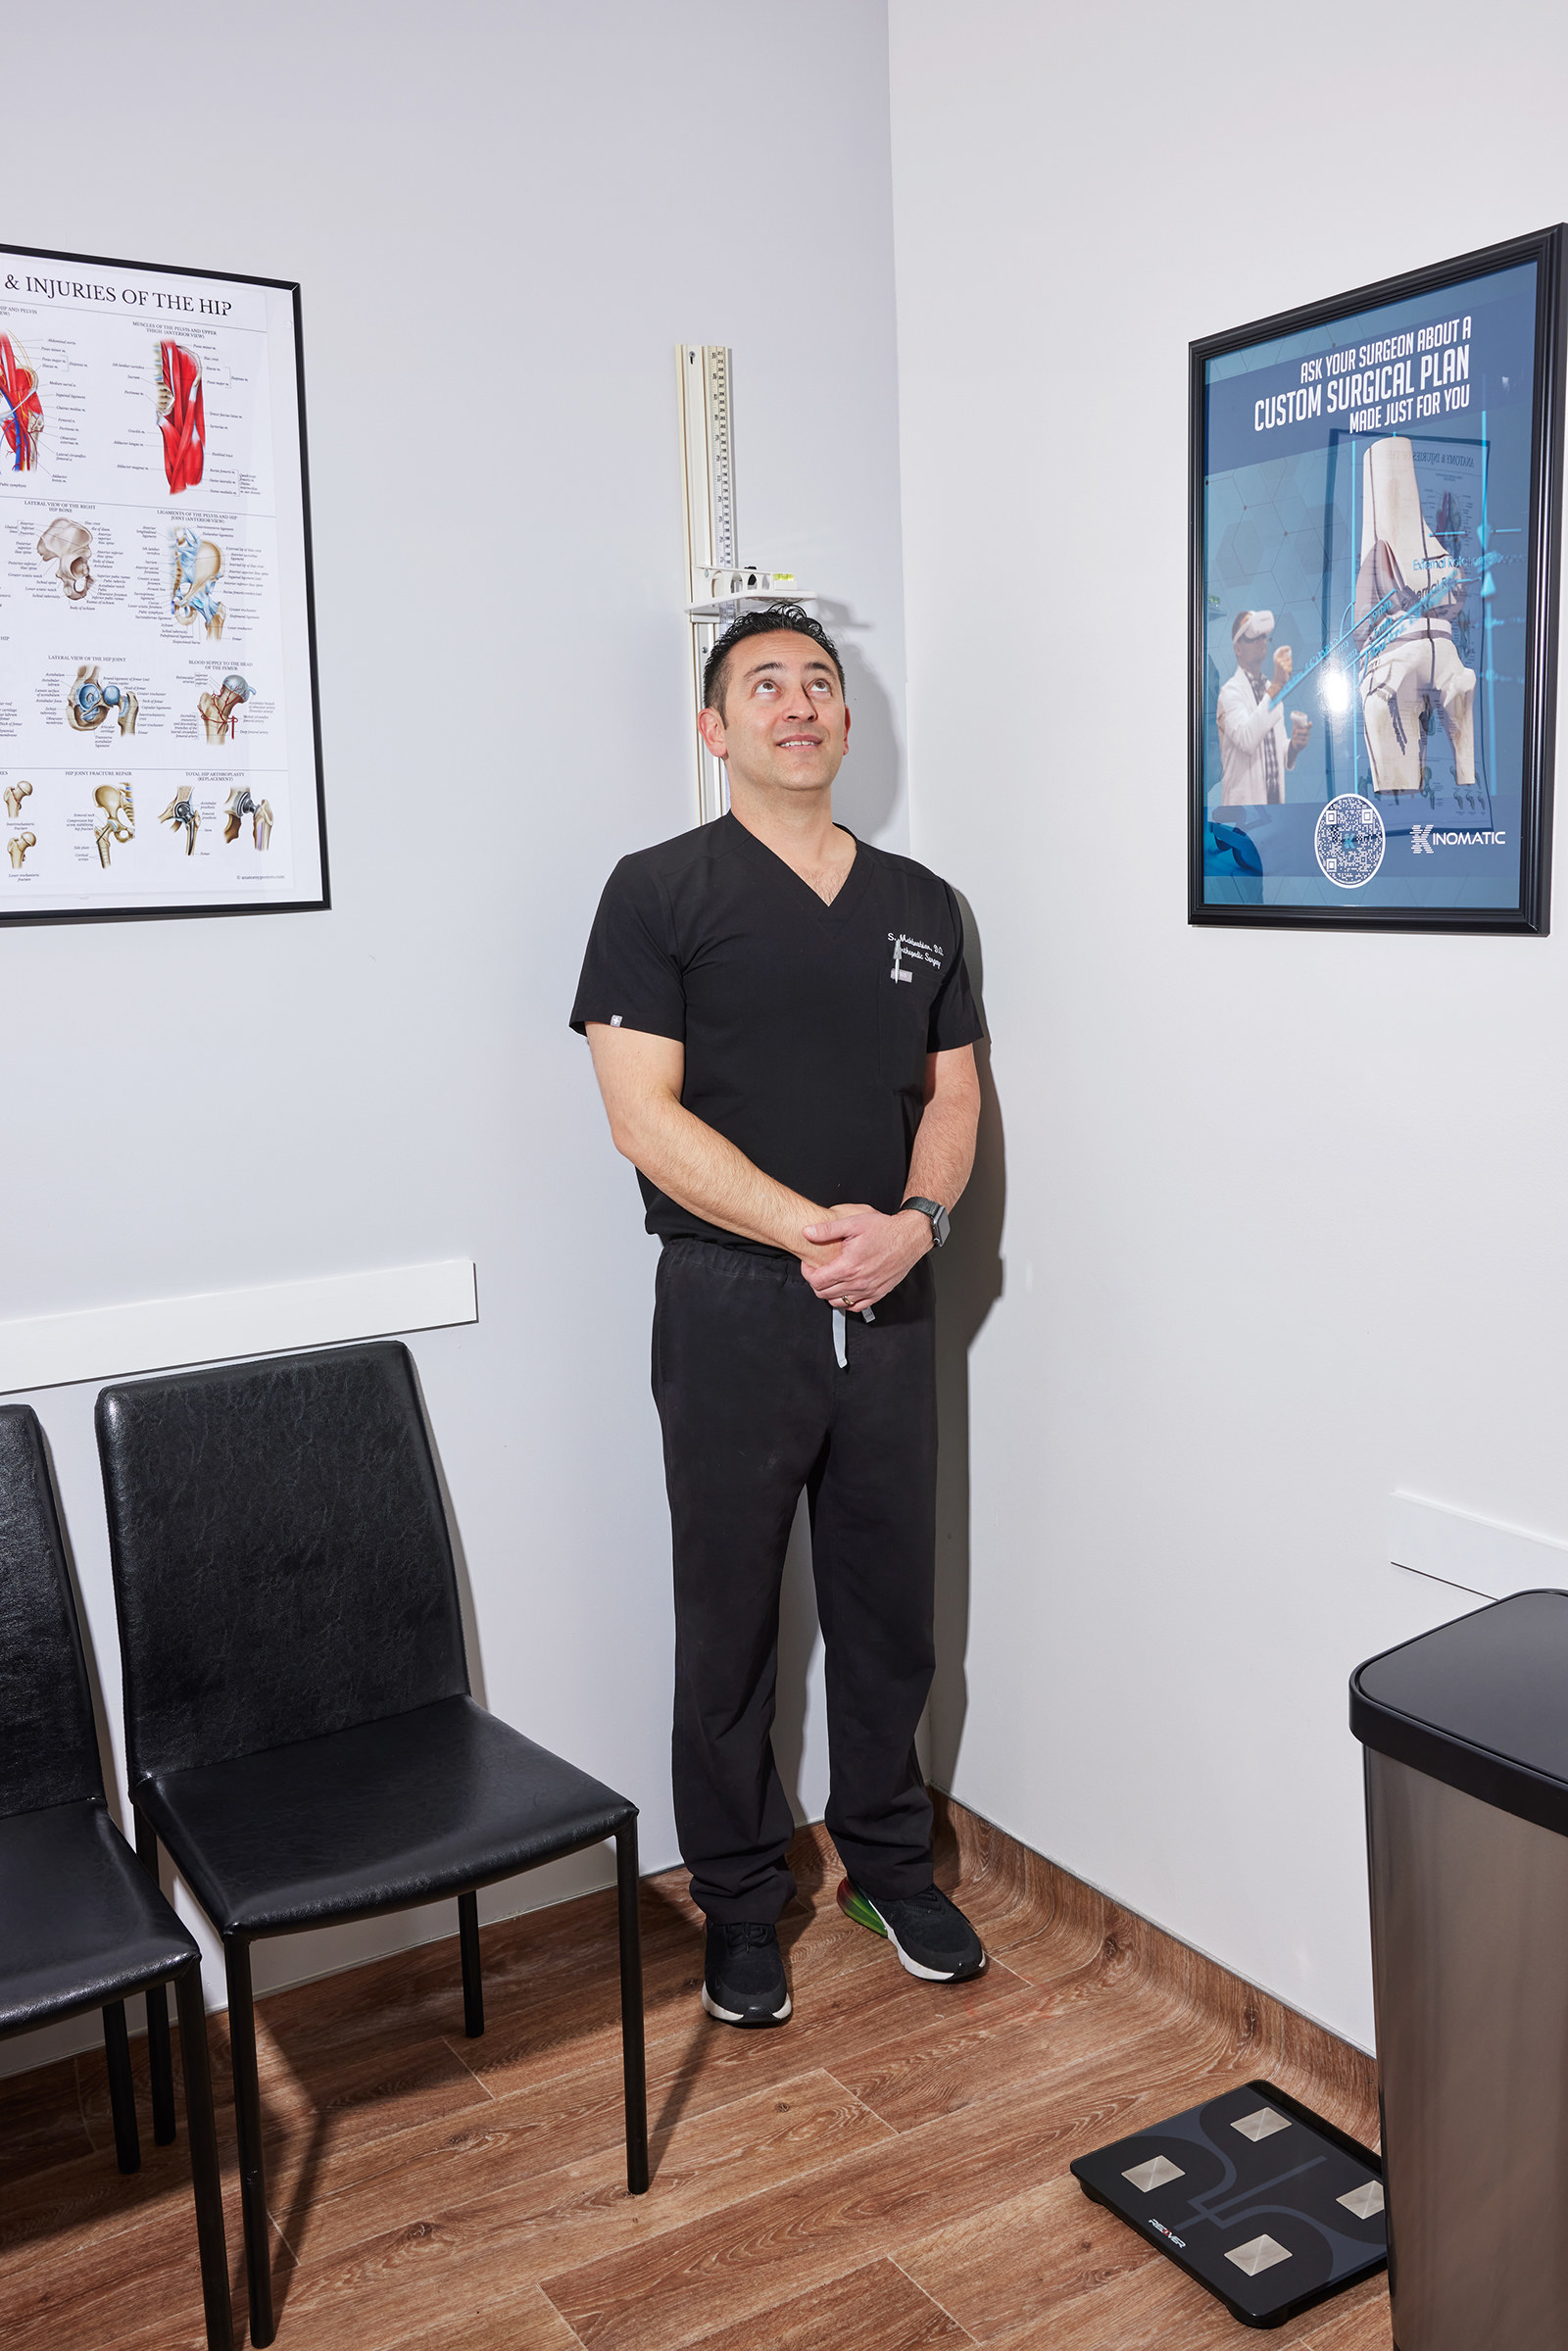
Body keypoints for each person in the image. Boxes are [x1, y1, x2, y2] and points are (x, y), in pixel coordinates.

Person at [571, 605, 987, 2028]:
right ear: (715, 727)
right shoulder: (658, 890)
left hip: (894, 1290)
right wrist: (808, 1228)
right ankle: (742, 1899)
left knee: (888, 1610)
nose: (798, 703)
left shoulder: (924, 903)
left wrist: (915, 1225)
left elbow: (954, 1096)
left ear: (848, 722)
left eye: (820, 682)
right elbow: (641, 1114)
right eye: (765, 685)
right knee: (730, 1616)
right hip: (733, 1300)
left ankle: (886, 1858)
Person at [1216, 610, 1311, 805]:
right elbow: (1247, 739)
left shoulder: (1271, 690)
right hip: (1242, 815)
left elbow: (1276, 751)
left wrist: (1293, 746)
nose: (1260, 641)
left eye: (1262, 636)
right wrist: (1277, 687)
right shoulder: (1229, 694)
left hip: (1274, 809)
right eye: (1252, 637)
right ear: (1238, 648)